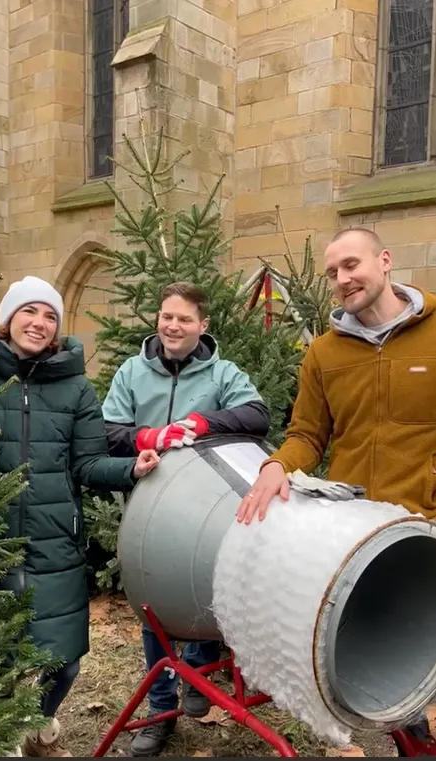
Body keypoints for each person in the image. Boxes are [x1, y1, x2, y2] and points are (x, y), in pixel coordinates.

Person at [236, 227, 436, 755]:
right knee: (396, 640)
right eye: (332, 273)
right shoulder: (324, 353)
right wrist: (277, 466)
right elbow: (307, 434)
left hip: (427, 518)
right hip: (359, 531)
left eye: (351, 265)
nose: (342, 279)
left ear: (385, 260)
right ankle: (412, 736)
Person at [0, 276, 160, 758]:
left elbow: (88, 463)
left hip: (54, 538)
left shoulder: (75, 387)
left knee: (65, 661)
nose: (39, 323)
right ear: (8, 318)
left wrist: (131, 468)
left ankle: (38, 728)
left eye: (50, 316)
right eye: (29, 311)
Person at [102, 281, 270, 756]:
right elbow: (108, 430)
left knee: (203, 587)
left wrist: (203, 423)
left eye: (184, 319)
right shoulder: (132, 372)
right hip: (149, 506)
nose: (173, 326)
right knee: (153, 606)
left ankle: (199, 670)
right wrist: (148, 437)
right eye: (167, 316)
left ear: (203, 325)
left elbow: (257, 415)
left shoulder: (222, 373)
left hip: (203, 510)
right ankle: (160, 710)